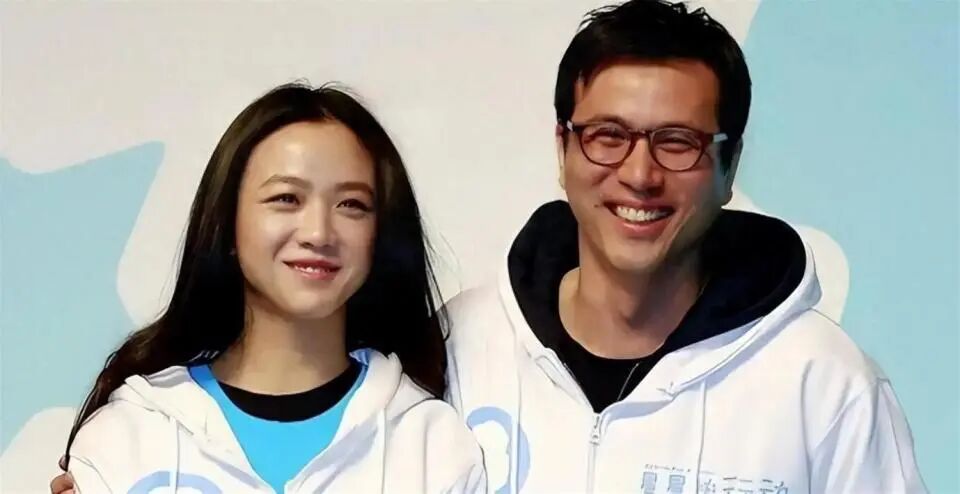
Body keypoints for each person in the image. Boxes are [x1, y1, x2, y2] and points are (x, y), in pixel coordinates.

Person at [443, 1, 925, 493]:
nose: (639, 175)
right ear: (562, 150)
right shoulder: (457, 348)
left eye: (678, 142)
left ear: (729, 167)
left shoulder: (824, 384)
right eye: (608, 136)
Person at [54, 82, 485, 493]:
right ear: (227, 223)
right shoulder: (127, 436)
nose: (318, 233)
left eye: (351, 205)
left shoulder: (434, 448)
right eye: (286, 199)